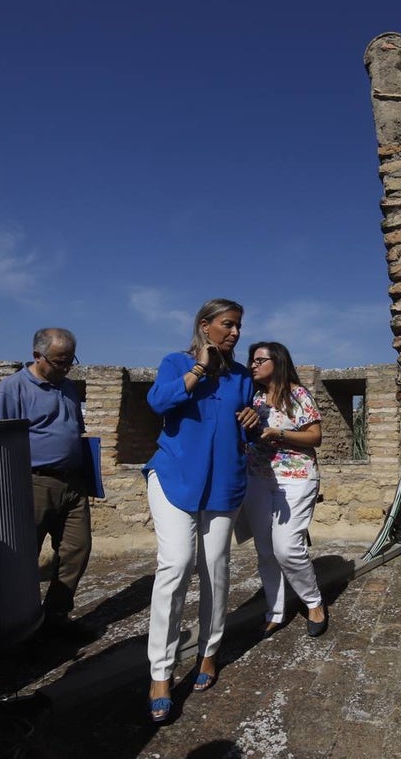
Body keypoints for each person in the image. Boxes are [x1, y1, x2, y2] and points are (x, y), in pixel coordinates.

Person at [143, 298, 259, 724]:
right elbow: (158, 403)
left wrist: (252, 419)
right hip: (174, 477)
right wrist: (198, 371)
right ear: (205, 326)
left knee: (216, 566)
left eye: (239, 326)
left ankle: (209, 652)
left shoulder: (243, 377)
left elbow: (249, 429)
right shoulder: (175, 362)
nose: (235, 333)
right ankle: (160, 672)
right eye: (228, 325)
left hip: (224, 481)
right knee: (175, 564)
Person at [0, 327, 94, 643]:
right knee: (23, 558)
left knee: (77, 549)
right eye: (59, 361)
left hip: (73, 483)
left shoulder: (69, 387)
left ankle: (55, 618)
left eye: (69, 361)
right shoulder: (11, 390)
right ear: (37, 356)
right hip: (33, 483)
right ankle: (19, 627)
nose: (65, 368)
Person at [241, 341, 328, 640]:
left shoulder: (297, 394)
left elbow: (315, 436)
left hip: (296, 477)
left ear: (276, 362)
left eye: (259, 360)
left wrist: (278, 433)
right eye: (251, 360)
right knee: (265, 550)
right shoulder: (252, 396)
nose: (253, 365)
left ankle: (313, 602)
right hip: (258, 478)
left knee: (287, 548)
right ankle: (275, 611)